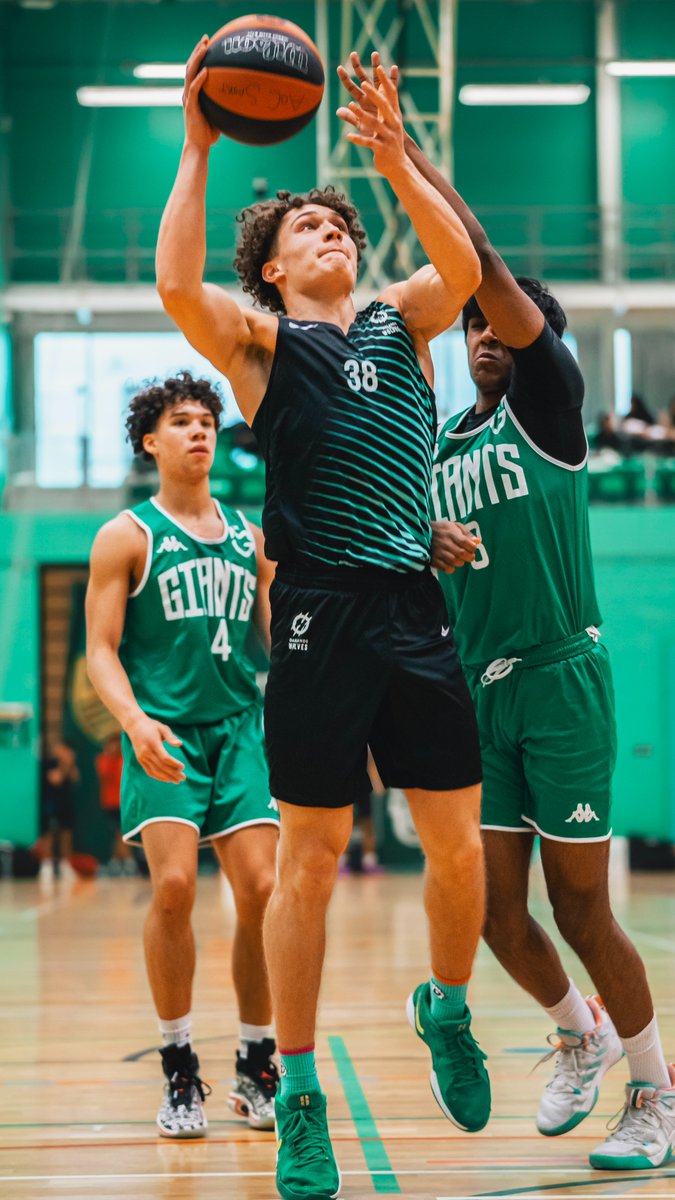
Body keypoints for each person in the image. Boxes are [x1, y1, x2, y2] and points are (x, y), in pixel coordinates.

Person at [156, 37, 489, 1200]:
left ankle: (443, 1006)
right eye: (305, 228)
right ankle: (299, 1094)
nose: (329, 233)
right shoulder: (259, 347)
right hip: (314, 613)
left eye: (337, 225)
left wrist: (398, 160)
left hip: (411, 603)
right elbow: (173, 286)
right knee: (309, 864)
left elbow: (466, 269)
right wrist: (197, 145)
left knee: (458, 856)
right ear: (275, 268)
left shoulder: (405, 318)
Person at [340, 58, 675, 1170]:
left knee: (583, 908)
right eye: (474, 327)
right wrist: (420, 540)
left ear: (534, 340)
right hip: (480, 686)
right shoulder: (438, 446)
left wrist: (402, 156)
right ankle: (575, 1036)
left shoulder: (553, 409)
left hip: (561, 673)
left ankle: (656, 1096)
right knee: (490, 910)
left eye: (501, 321)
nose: (481, 330)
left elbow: (475, 264)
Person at [86, 372, 279, 1140]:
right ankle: (178, 1068)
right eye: (181, 421)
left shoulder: (248, 536)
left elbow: (278, 643)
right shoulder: (126, 536)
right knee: (172, 888)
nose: (199, 432)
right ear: (150, 441)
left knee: (262, 890)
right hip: (163, 731)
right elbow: (100, 651)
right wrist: (132, 722)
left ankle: (257, 1062)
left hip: (237, 730)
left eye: (206, 420)